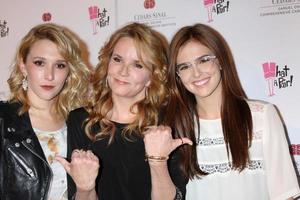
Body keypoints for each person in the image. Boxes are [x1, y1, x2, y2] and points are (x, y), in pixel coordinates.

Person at [163, 23, 300, 200]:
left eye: (203, 60)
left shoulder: (262, 116)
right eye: (185, 67)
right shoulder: (173, 127)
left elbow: (284, 194)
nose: (196, 73)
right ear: (178, 76)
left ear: (220, 60)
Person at [56, 22, 191, 200]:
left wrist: (158, 162)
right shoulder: (81, 120)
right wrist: (84, 188)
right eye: (117, 59)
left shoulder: (168, 121)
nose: (123, 71)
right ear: (107, 63)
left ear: (152, 77)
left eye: (138, 65)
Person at [0, 23, 90, 200]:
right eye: (39, 63)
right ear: (23, 66)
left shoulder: (81, 123)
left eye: (60, 65)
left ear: (69, 71)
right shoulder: (3, 119)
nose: (49, 75)